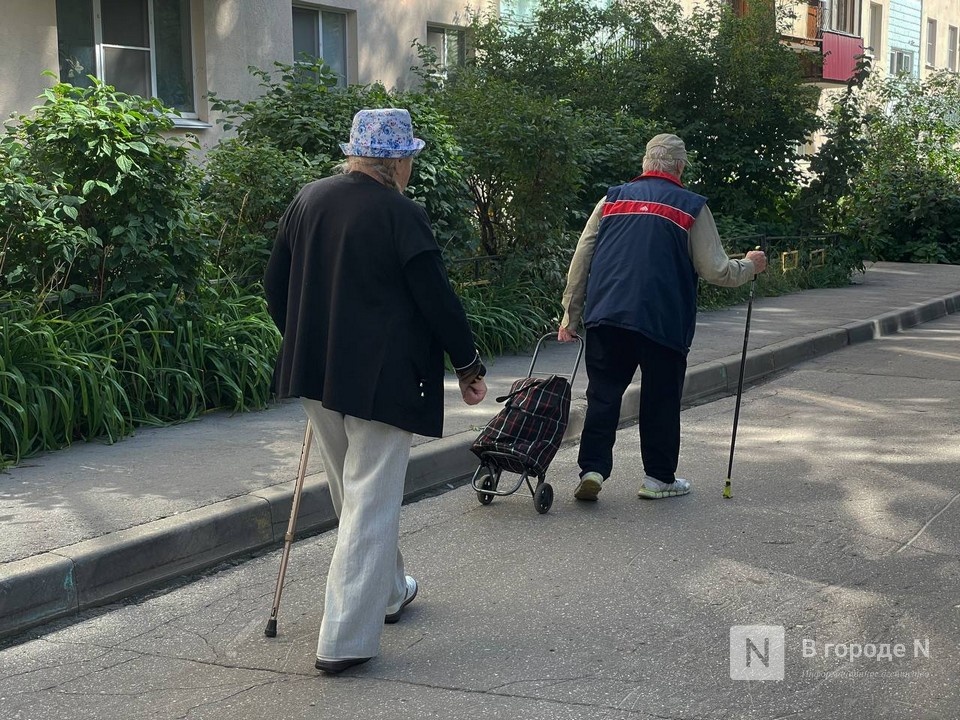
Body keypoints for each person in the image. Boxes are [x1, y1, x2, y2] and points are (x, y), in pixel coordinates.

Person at [264, 108, 487, 675]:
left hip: (317, 373)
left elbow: (275, 286)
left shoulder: (308, 200)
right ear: (396, 162)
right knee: (370, 500)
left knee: (353, 493)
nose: (410, 167)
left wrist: (305, 339)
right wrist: (467, 363)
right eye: (409, 158)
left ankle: (387, 592)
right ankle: (343, 639)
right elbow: (436, 297)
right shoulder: (400, 214)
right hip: (384, 377)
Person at [557, 133, 767, 502]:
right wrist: (750, 265)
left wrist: (569, 316)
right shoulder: (690, 207)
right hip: (663, 320)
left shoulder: (611, 200)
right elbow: (716, 269)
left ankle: (592, 469)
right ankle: (658, 478)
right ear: (680, 167)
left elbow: (582, 259)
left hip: (606, 315)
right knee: (661, 399)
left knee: (603, 396)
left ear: (645, 163)